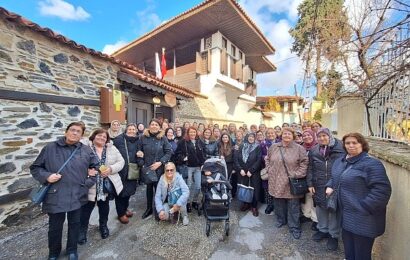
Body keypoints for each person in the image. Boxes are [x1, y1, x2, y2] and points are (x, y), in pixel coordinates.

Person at [30, 122, 99, 260]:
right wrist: (47, 176)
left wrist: (87, 183)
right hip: (56, 194)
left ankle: (72, 250)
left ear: (82, 135)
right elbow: (36, 168)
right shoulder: (50, 148)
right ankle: (54, 252)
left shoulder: (86, 150)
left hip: (77, 193)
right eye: (72, 130)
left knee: (75, 224)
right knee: (55, 227)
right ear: (66, 132)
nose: (74, 133)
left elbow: (96, 168)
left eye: (78, 131)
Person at [326, 133, 391, 260]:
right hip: (345, 216)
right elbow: (336, 177)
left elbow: (382, 190)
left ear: (362, 144)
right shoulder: (341, 161)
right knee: (349, 252)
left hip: (364, 218)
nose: (351, 145)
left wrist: (364, 207)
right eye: (347, 143)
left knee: (361, 255)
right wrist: (330, 185)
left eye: (355, 143)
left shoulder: (372, 164)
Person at [78, 129, 125, 244]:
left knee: (104, 207)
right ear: (93, 136)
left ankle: (103, 226)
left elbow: (121, 162)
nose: (102, 138)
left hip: (105, 184)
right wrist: (87, 170)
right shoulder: (85, 148)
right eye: (99, 135)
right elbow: (77, 163)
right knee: (86, 209)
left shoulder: (111, 148)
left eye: (104, 137)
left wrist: (110, 169)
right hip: (90, 184)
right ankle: (82, 231)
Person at [266, 127, 308, 239]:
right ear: (281, 135)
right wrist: (269, 169)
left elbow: (304, 163)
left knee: (293, 205)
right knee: (278, 202)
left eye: (289, 134)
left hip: (291, 180)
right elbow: (267, 159)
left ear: (293, 136)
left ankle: (294, 227)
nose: (286, 136)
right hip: (276, 180)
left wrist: (297, 174)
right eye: (285, 134)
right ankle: (281, 220)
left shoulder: (299, 148)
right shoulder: (274, 146)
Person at [306, 128, 345, 250]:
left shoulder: (341, 148)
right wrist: (310, 184)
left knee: (334, 209)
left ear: (329, 136)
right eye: (319, 136)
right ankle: (322, 229)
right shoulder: (314, 150)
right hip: (318, 184)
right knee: (320, 207)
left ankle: (333, 235)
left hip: (335, 184)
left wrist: (335, 184)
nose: (322, 138)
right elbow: (310, 168)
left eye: (324, 135)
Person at [136, 118, 172, 219]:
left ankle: (159, 209)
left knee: (159, 190)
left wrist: (160, 163)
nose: (154, 126)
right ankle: (149, 208)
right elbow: (139, 152)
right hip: (147, 169)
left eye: (156, 124)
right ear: (149, 126)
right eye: (152, 124)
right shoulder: (143, 138)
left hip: (159, 169)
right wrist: (142, 165)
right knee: (148, 189)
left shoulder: (163, 138)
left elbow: (168, 152)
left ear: (159, 127)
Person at [174, 127, 206, 212]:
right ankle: (188, 203)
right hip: (188, 167)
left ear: (196, 133)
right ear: (188, 133)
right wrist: (183, 158)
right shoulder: (183, 142)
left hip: (198, 167)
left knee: (198, 186)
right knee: (188, 186)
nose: (192, 134)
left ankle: (195, 201)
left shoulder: (199, 142)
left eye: (194, 132)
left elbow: (203, 153)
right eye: (191, 132)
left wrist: (203, 163)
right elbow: (177, 153)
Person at [113, 123, 139, 224]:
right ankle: (120, 213)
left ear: (136, 130)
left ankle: (125, 208)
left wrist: (140, 154)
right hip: (121, 170)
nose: (131, 131)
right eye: (129, 129)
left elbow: (141, 150)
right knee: (120, 192)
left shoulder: (138, 140)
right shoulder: (119, 139)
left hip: (133, 169)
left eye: (133, 129)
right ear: (126, 130)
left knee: (129, 191)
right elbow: (113, 152)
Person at [234, 133, 262, 217]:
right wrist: (240, 169)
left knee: (254, 189)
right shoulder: (241, 146)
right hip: (243, 172)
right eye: (249, 136)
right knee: (245, 188)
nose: (251, 138)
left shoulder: (257, 147)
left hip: (253, 172)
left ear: (255, 138)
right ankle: (246, 204)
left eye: (252, 137)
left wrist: (251, 170)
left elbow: (259, 160)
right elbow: (236, 159)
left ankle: (254, 206)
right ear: (246, 137)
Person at [300, 129, 319, 231]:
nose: (307, 137)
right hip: (303, 176)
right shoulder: (302, 147)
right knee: (305, 197)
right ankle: (306, 215)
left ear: (313, 136)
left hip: (314, 176)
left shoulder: (317, 147)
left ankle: (315, 219)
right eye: (305, 135)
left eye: (309, 135)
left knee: (314, 197)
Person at [260, 128, 276, 215]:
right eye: (268, 133)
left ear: (275, 134)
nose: (270, 135)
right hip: (267, 168)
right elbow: (259, 155)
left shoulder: (279, 143)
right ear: (266, 135)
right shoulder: (263, 144)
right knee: (267, 188)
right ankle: (269, 205)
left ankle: (277, 205)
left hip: (278, 169)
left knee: (277, 187)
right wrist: (263, 157)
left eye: (272, 133)